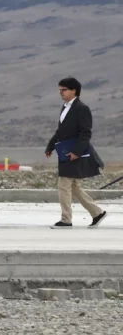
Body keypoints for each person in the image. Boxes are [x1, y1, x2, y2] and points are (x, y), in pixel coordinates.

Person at [44, 77, 107, 228]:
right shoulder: (65, 107)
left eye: (64, 90)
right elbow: (61, 131)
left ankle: (66, 220)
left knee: (64, 185)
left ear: (74, 91)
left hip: (74, 153)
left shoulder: (81, 108)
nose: (61, 92)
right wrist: (50, 146)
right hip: (65, 152)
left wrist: (77, 152)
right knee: (73, 187)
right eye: (59, 90)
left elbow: (85, 133)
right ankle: (97, 213)